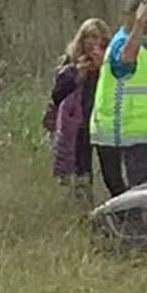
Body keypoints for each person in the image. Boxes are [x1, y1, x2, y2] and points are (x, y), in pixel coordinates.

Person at [90, 0, 147, 197]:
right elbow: (125, 62)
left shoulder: (141, 47)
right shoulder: (122, 43)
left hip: (144, 133)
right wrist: (138, 24)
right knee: (138, 192)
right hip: (127, 132)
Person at [46, 17, 110, 202]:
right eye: (89, 37)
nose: (93, 42)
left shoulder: (111, 63)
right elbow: (57, 96)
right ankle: (83, 206)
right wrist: (77, 76)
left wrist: (102, 69)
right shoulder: (69, 63)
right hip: (78, 126)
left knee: (107, 171)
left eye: (98, 38)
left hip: (103, 124)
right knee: (81, 172)